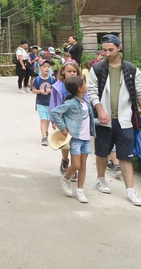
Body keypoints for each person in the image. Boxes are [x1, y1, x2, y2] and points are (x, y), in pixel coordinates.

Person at [87, 34, 141, 206]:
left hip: (125, 119)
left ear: (119, 47)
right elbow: (92, 92)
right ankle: (100, 179)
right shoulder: (98, 69)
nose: (107, 53)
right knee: (101, 152)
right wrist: (100, 110)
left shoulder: (132, 70)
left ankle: (130, 189)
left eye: (111, 49)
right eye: (104, 50)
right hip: (104, 119)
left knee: (126, 155)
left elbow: (140, 93)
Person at [51, 75, 96, 203]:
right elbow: (55, 112)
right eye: (85, 84)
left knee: (83, 166)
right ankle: (66, 179)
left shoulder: (86, 103)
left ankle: (80, 190)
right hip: (76, 138)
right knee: (76, 165)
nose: (87, 86)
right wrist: (63, 128)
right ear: (80, 89)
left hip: (86, 138)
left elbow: (88, 119)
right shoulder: (70, 103)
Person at [49, 61, 81, 177]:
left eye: (74, 71)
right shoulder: (57, 86)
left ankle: (73, 167)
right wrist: (53, 120)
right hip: (63, 118)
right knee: (66, 141)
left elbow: (85, 99)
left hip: (76, 118)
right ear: (63, 71)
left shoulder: (80, 84)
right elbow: (53, 103)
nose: (72, 73)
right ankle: (65, 160)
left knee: (75, 143)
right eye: (69, 71)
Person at [32, 59, 56, 146]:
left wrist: (51, 91)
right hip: (40, 102)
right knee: (43, 119)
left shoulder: (52, 79)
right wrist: (39, 91)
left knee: (48, 119)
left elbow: (56, 90)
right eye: (44, 66)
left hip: (50, 103)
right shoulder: (37, 80)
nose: (47, 68)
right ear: (40, 68)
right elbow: (33, 90)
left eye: (48, 67)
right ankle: (44, 137)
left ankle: (45, 132)